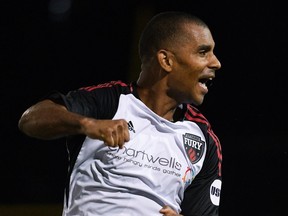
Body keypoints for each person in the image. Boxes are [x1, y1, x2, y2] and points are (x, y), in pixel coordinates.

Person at [18, 11, 222, 216]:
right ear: (166, 61)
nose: (216, 63)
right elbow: (31, 119)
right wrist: (89, 125)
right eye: (203, 52)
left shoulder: (203, 138)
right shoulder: (110, 102)